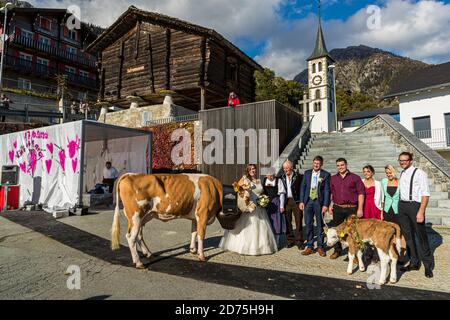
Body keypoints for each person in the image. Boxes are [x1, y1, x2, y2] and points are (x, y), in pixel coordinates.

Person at [219, 164, 278, 255]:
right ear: (248, 171)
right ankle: (245, 247)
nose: (252, 170)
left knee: (261, 228)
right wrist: (243, 193)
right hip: (249, 206)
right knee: (248, 227)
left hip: (259, 207)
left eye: (253, 169)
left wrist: (263, 199)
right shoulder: (245, 179)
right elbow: (235, 188)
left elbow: (261, 192)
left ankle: (261, 247)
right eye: (250, 169)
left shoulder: (258, 180)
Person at [397, 152, 433, 278]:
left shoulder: (419, 173)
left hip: (415, 206)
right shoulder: (402, 173)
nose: (402, 162)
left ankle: (428, 266)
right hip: (402, 206)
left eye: (405, 160)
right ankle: (414, 262)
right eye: (400, 160)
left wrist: (421, 211)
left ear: (411, 160)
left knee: (421, 237)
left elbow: (425, 193)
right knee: (408, 236)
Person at [329, 158, 365, 260]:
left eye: (342, 165)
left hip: (351, 208)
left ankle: (355, 254)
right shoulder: (333, 178)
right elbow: (332, 193)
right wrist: (331, 204)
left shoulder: (355, 178)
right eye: (338, 165)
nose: (340, 167)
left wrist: (360, 209)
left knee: (354, 231)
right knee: (337, 230)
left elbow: (361, 193)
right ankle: (337, 250)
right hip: (338, 208)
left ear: (346, 165)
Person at [299, 156, 331, 257]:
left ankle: (320, 246)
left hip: (319, 202)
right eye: (314, 163)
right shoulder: (307, 173)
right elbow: (303, 187)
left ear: (321, 164)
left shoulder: (325, 174)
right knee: (308, 224)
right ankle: (310, 246)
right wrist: (301, 201)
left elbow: (327, 190)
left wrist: (326, 204)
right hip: (308, 201)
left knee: (320, 224)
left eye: (318, 163)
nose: (316, 165)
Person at [279, 160, 304, 248]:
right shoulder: (281, 177)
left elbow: (302, 189)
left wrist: (302, 201)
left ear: (291, 167)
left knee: (298, 221)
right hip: (286, 201)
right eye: (284, 168)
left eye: (287, 168)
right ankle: (290, 240)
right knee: (287, 221)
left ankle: (299, 241)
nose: (285, 170)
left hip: (296, 201)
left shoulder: (299, 176)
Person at [263, 168, 286, 249]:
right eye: (268, 175)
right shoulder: (264, 180)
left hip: (276, 203)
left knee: (276, 223)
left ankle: (277, 242)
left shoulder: (278, 180)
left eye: (271, 175)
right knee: (268, 222)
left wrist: (282, 206)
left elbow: (282, 194)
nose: (270, 176)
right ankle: (269, 241)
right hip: (266, 204)